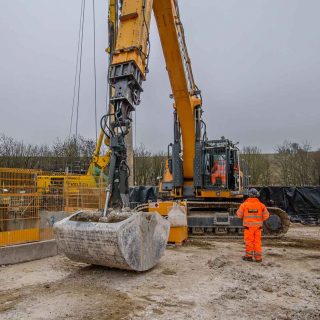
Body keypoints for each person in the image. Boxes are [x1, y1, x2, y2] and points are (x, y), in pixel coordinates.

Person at [236, 188, 270, 262]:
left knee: (249, 242)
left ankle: (249, 257)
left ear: (249, 195)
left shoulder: (244, 205)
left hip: (248, 228)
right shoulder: (261, 205)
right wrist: (258, 220)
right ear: (257, 195)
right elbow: (266, 216)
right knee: (257, 242)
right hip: (258, 227)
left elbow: (239, 215)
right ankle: (258, 258)